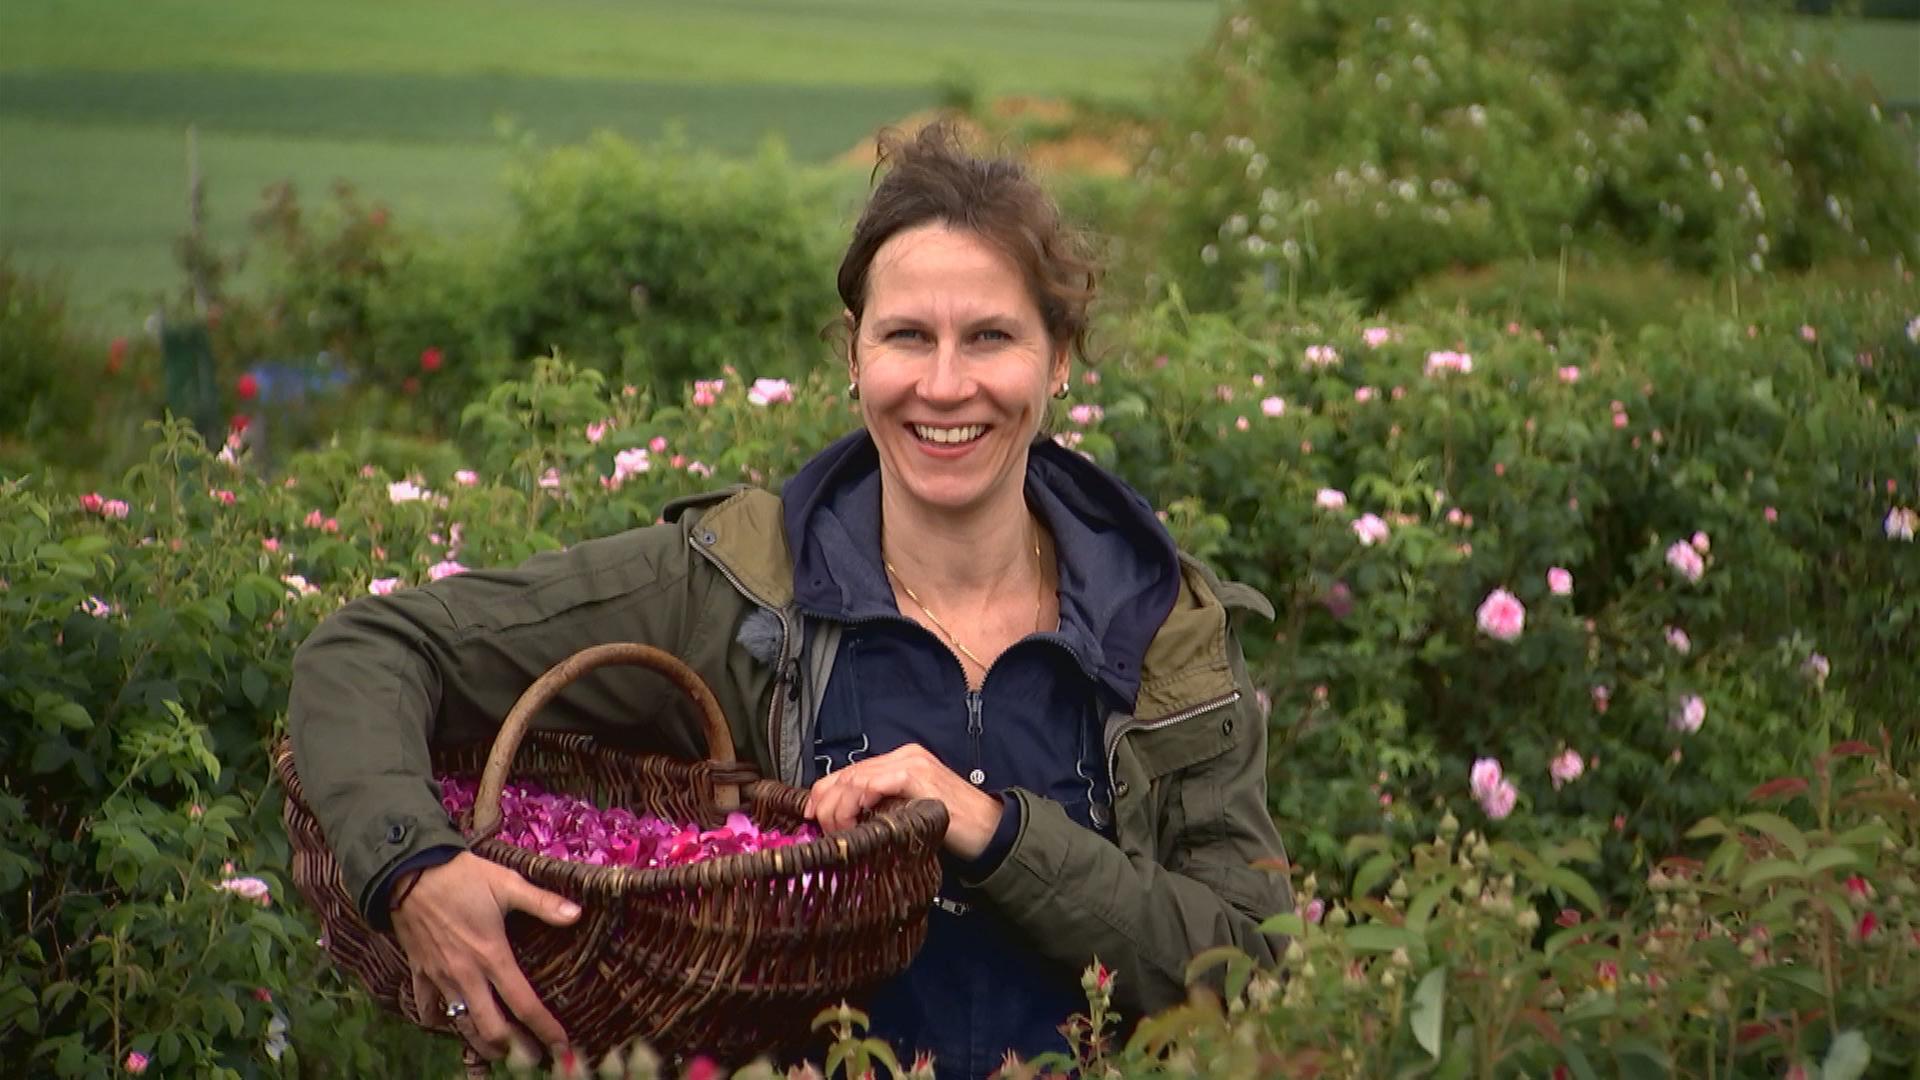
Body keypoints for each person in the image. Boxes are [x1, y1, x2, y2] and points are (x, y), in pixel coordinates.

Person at [289, 121, 1292, 1078]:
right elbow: (371, 649)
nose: (945, 386)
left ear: (1060, 358)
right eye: (908, 336)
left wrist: (993, 830)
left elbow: (1249, 966)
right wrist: (410, 867)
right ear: (854, 357)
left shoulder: (1160, 624)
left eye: (990, 336)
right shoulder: (734, 585)